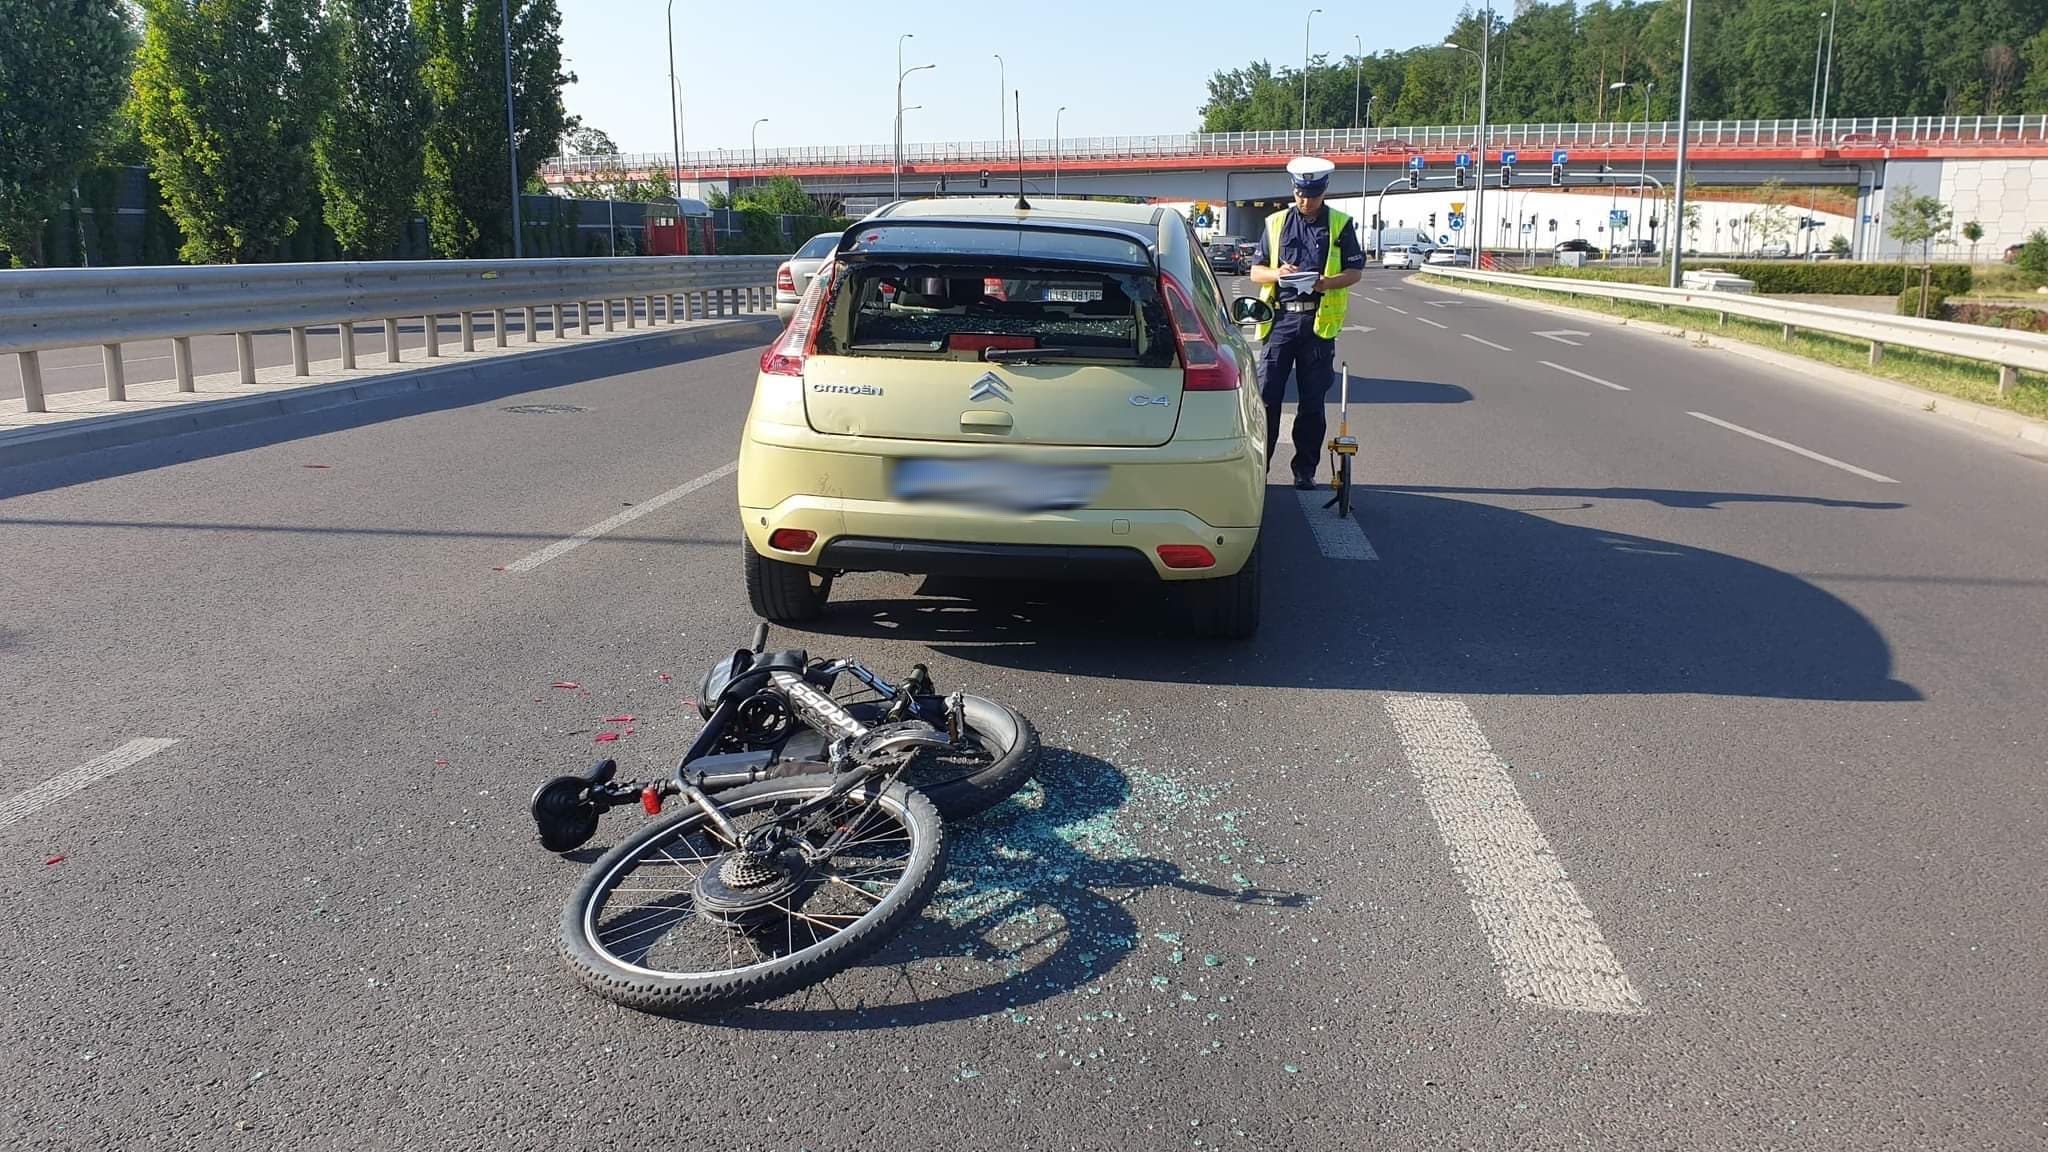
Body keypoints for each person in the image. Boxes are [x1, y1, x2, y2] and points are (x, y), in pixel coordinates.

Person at [1247, 156, 1366, 490]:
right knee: (1267, 399)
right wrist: (1277, 274)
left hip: (1317, 324)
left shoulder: (1340, 224)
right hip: (1281, 321)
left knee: (1312, 403)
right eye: (1301, 193)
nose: (1306, 200)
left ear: (1324, 190)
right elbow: (1256, 271)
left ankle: (1305, 470)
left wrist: (1326, 283)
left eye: (1312, 194)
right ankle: (1260, 470)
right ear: (1293, 190)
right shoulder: (1275, 223)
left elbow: (1355, 272)